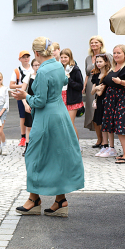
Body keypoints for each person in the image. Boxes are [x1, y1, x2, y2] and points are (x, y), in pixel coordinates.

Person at [13, 37, 84, 216]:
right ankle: (60, 200)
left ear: (36, 53)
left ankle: (34, 199)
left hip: (47, 117)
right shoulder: (58, 65)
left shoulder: (44, 71)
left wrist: (24, 96)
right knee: (57, 155)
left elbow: (40, 101)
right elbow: (64, 82)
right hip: (60, 113)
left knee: (33, 155)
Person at [100, 44, 125, 162]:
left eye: (119, 53)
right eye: (114, 53)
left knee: (121, 127)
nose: (115, 55)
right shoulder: (113, 67)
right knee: (116, 126)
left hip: (122, 98)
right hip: (111, 99)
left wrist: (121, 82)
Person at [83, 36, 107, 134]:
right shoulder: (88, 58)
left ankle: (104, 140)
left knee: (100, 111)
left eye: (96, 42)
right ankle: (99, 139)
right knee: (92, 111)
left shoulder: (106, 55)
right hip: (90, 87)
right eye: (92, 43)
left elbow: (109, 69)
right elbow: (87, 74)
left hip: (101, 84)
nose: (93, 44)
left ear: (101, 44)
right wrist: (84, 86)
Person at [92, 54, 114, 157]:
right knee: (100, 123)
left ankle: (110, 146)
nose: (98, 64)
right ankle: (104, 145)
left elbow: (100, 92)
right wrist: (97, 88)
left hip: (106, 101)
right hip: (99, 102)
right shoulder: (96, 75)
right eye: (97, 62)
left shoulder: (107, 75)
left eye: (100, 61)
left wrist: (97, 89)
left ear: (105, 62)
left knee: (107, 124)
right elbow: (93, 91)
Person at [60, 48, 84, 139]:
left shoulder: (75, 69)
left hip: (71, 98)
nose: (63, 59)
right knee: (63, 124)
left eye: (65, 57)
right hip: (61, 97)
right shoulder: (60, 68)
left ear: (70, 57)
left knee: (70, 123)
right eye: (61, 57)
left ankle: (76, 146)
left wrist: (69, 79)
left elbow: (80, 86)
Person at [10, 51, 33, 147]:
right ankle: (23, 137)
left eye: (27, 57)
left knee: (32, 116)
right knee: (23, 116)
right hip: (21, 95)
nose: (26, 59)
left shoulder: (33, 68)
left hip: (31, 94)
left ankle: (31, 136)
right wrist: (24, 84)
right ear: (20, 59)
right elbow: (11, 85)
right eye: (24, 57)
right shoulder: (17, 71)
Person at [21, 58, 40, 156]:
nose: (37, 67)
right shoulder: (29, 76)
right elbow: (22, 91)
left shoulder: (43, 76)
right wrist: (25, 104)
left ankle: (39, 147)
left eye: (38, 65)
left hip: (40, 104)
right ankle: (27, 147)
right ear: (32, 66)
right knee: (29, 127)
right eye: (35, 65)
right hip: (30, 103)